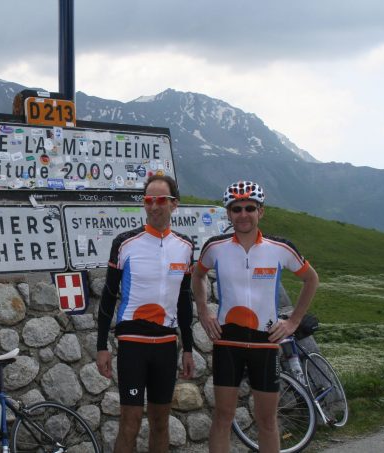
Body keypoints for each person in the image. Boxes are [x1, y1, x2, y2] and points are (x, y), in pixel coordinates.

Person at [191, 181, 319, 453]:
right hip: (228, 342)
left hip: (265, 342)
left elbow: (311, 279)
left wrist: (294, 321)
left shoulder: (280, 248)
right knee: (223, 419)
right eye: (236, 209)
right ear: (228, 214)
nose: (243, 214)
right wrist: (203, 311)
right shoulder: (215, 247)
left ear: (261, 211)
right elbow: (198, 275)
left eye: (250, 208)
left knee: (267, 421)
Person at [96, 174, 195, 453]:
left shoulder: (185, 247)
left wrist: (188, 348)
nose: (154, 206)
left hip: (165, 345)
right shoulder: (125, 242)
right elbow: (108, 296)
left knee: (161, 422)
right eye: (148, 200)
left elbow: (184, 302)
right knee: (130, 421)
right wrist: (101, 345)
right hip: (133, 344)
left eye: (161, 199)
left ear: (174, 204)